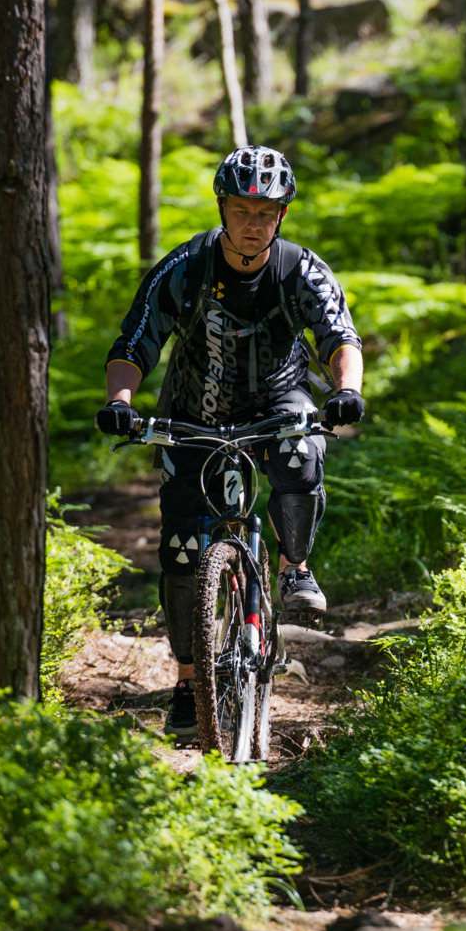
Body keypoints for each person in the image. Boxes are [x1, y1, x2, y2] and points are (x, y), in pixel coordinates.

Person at [98, 145, 366, 737]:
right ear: (222, 208)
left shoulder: (301, 269)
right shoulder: (185, 268)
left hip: (281, 400)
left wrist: (346, 389)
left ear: (282, 216)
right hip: (195, 412)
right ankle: (191, 681)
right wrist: (121, 402)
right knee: (181, 554)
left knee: (301, 454)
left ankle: (295, 567)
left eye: (266, 212)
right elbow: (136, 341)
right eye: (242, 209)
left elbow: (338, 335)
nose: (253, 222)